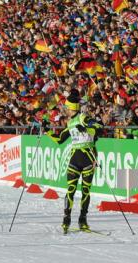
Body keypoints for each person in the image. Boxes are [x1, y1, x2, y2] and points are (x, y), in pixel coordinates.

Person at [44, 89, 103, 234]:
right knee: (70, 190)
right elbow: (59, 140)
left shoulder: (83, 117)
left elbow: (99, 128)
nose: (65, 110)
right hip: (74, 159)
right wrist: (48, 131)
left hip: (88, 158)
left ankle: (83, 220)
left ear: (71, 108)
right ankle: (66, 219)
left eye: (66, 107)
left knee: (85, 191)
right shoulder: (70, 123)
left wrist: (86, 129)